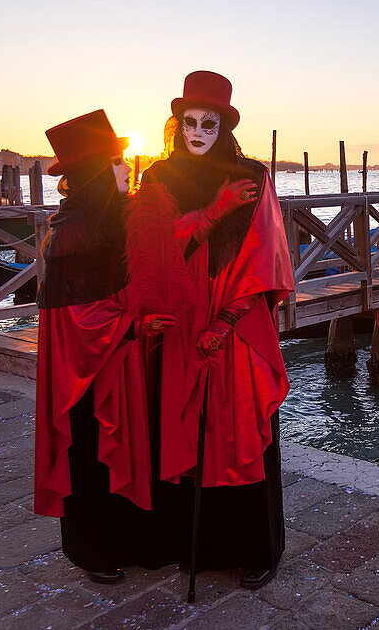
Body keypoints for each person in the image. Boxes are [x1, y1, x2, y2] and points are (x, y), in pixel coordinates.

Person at [139, 70, 293, 588]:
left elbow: (267, 250)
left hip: (238, 318)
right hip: (181, 320)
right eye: (190, 122)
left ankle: (255, 551)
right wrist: (210, 212)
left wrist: (227, 318)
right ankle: (195, 547)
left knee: (239, 425)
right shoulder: (157, 177)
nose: (198, 131)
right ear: (177, 124)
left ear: (224, 125)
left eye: (210, 122)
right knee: (184, 427)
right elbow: (152, 246)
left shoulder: (253, 174)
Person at [34, 109, 176, 583]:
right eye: (117, 163)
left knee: (133, 450)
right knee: (93, 456)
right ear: (96, 171)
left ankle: (131, 542)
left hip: (126, 361)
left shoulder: (114, 219)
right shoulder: (72, 232)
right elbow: (74, 320)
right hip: (92, 375)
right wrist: (135, 323)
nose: (127, 169)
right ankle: (96, 551)